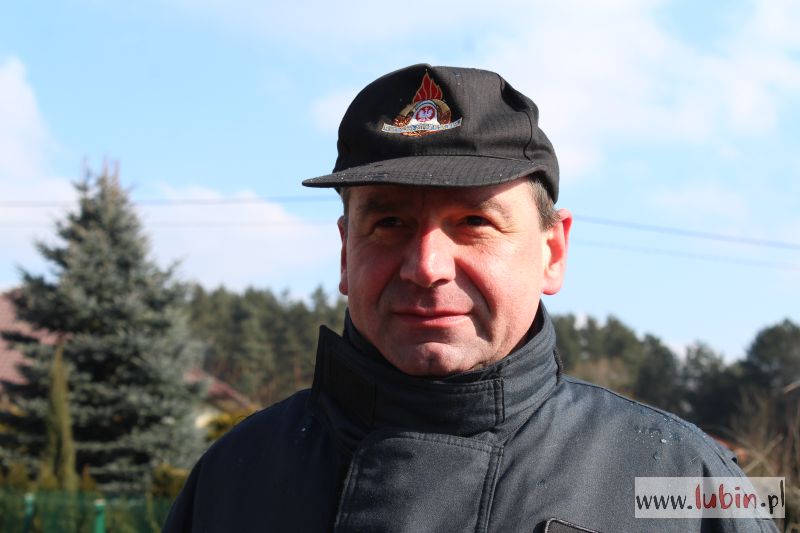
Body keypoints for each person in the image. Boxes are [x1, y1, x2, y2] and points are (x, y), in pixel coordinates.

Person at [162, 65, 778, 532]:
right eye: (389, 223)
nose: (426, 267)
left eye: (474, 222)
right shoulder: (233, 479)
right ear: (346, 253)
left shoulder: (687, 483)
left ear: (552, 251)